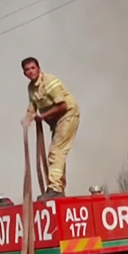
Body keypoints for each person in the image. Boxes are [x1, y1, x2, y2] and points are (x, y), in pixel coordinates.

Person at [20, 56, 80, 200]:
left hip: (67, 115)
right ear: (24, 73)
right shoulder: (31, 88)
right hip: (55, 121)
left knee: (56, 151)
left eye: (33, 68)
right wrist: (26, 121)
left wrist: (43, 116)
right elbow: (32, 107)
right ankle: (58, 187)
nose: (30, 72)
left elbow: (63, 105)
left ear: (39, 68)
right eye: (27, 70)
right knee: (57, 154)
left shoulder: (49, 81)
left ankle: (55, 188)